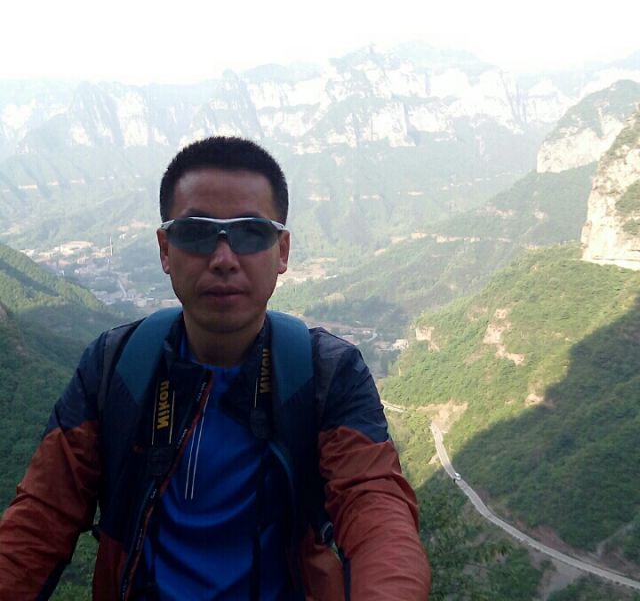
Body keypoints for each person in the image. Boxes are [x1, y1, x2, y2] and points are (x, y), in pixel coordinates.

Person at [0, 136, 431, 600]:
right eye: (196, 233)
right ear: (165, 249)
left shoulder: (327, 375)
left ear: (282, 250)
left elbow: (377, 512)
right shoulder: (116, 368)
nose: (224, 259)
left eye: (251, 233)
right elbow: (40, 521)